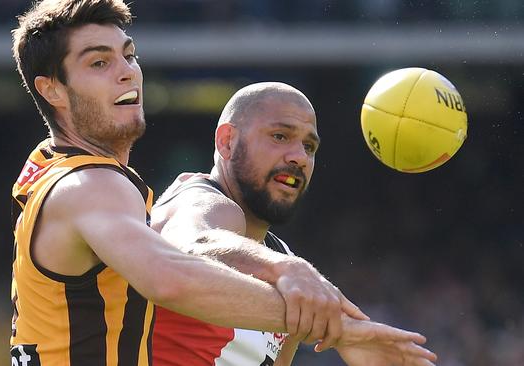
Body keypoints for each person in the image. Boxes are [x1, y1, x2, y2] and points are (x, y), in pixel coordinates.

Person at [9, 1, 378, 365]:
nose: (128, 72)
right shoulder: (91, 183)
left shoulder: (54, 167)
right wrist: (331, 321)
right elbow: (172, 276)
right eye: (99, 62)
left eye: (130, 56)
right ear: (52, 90)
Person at [151, 82, 438, 365]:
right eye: (279, 136)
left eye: (309, 146)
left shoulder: (282, 262)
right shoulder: (197, 199)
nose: (299, 157)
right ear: (227, 141)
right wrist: (287, 270)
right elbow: (192, 243)